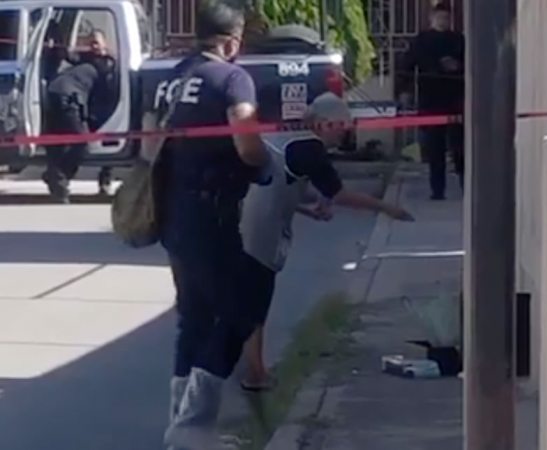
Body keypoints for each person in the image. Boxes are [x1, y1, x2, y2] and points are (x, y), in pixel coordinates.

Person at [238, 92, 415, 391]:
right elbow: (339, 194)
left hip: (244, 221)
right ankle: (255, 373)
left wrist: (309, 209)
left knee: (246, 300)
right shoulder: (310, 148)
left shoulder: (287, 138)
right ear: (322, 124)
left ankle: (243, 366)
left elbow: (283, 184)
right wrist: (387, 208)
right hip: (259, 232)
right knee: (255, 303)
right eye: (340, 127)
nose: (344, 133)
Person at [155, 1, 271, 448]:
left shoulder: (172, 77)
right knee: (242, 311)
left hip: (173, 210)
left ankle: (181, 426)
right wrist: (263, 168)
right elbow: (247, 145)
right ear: (232, 39)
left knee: (195, 317)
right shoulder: (232, 78)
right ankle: (192, 427)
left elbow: (152, 143)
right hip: (213, 209)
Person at [398, 2, 465, 200]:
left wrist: (457, 66)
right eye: (440, 18)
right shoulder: (422, 41)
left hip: (456, 98)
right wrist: (405, 91)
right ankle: (437, 190)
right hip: (430, 99)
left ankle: (465, 185)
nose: (443, 22)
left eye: (446, 18)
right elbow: (407, 67)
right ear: (432, 18)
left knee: (460, 147)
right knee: (434, 149)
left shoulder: (458, 40)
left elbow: (471, 64)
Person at [41, 29, 117, 202]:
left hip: (57, 94)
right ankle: (58, 177)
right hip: (66, 97)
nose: (93, 46)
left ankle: (58, 181)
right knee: (81, 141)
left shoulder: (107, 63)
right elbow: (67, 54)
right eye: (90, 43)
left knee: (60, 142)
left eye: (97, 42)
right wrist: (54, 47)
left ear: (105, 44)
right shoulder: (86, 60)